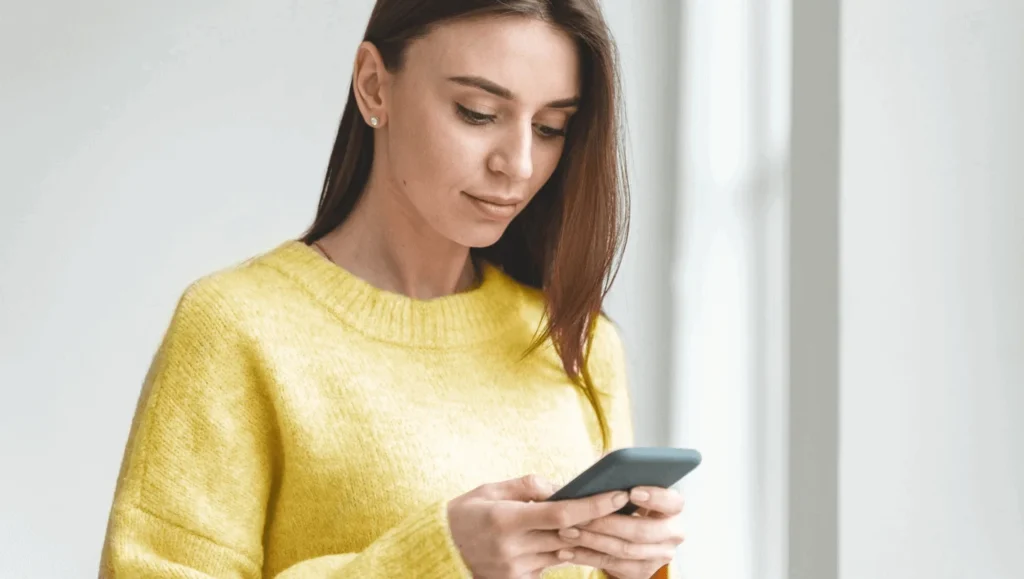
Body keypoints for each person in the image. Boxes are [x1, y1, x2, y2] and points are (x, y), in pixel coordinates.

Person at [99, 1, 685, 577]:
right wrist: (433, 561)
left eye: (550, 127)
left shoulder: (574, 338)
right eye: (478, 112)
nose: (520, 163)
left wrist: (635, 566)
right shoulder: (236, 328)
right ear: (375, 86)